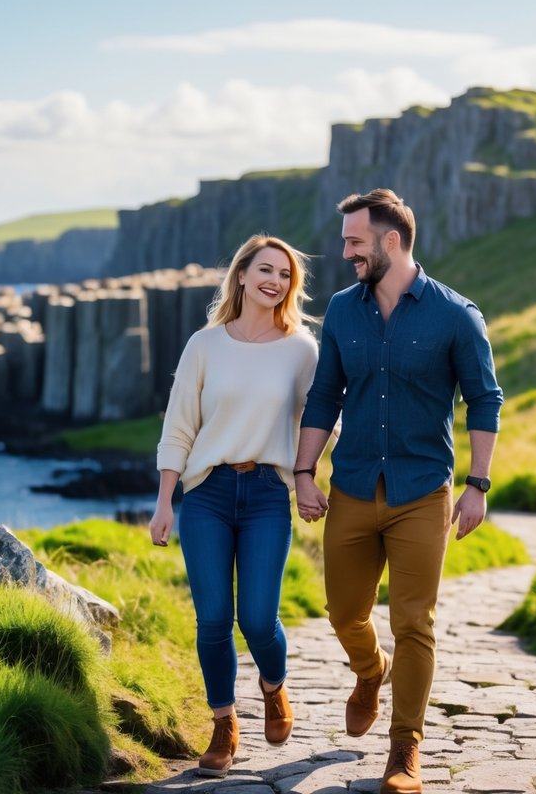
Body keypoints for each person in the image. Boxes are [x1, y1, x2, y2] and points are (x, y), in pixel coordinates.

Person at [293, 189, 503, 794]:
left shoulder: (456, 315)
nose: (345, 252)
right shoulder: (340, 310)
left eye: (355, 241)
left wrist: (477, 485)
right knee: (344, 611)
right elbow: (324, 395)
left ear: (391, 241)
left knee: (414, 621)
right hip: (354, 485)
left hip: (422, 492)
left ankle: (405, 748)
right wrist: (305, 474)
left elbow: (484, 400)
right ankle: (369, 671)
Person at [149, 234, 319, 778]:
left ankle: (273, 686)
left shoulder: (302, 349)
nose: (276, 281)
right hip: (208, 495)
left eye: (286, 274)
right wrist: (163, 502)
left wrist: (306, 475)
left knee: (258, 619)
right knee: (214, 619)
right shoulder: (204, 344)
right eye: (265, 269)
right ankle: (223, 725)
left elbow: (320, 421)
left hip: (269, 492)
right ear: (241, 275)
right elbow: (180, 425)